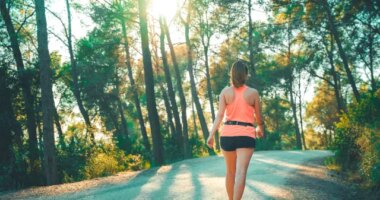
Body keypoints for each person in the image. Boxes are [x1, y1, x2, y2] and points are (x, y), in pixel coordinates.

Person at [207, 60, 264, 200]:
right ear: (245, 75)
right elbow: (258, 116)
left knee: (230, 172)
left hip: (227, 135)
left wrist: (211, 134)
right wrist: (260, 128)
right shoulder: (253, 93)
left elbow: (220, 115)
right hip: (246, 134)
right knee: (241, 173)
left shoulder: (225, 92)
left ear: (231, 74)